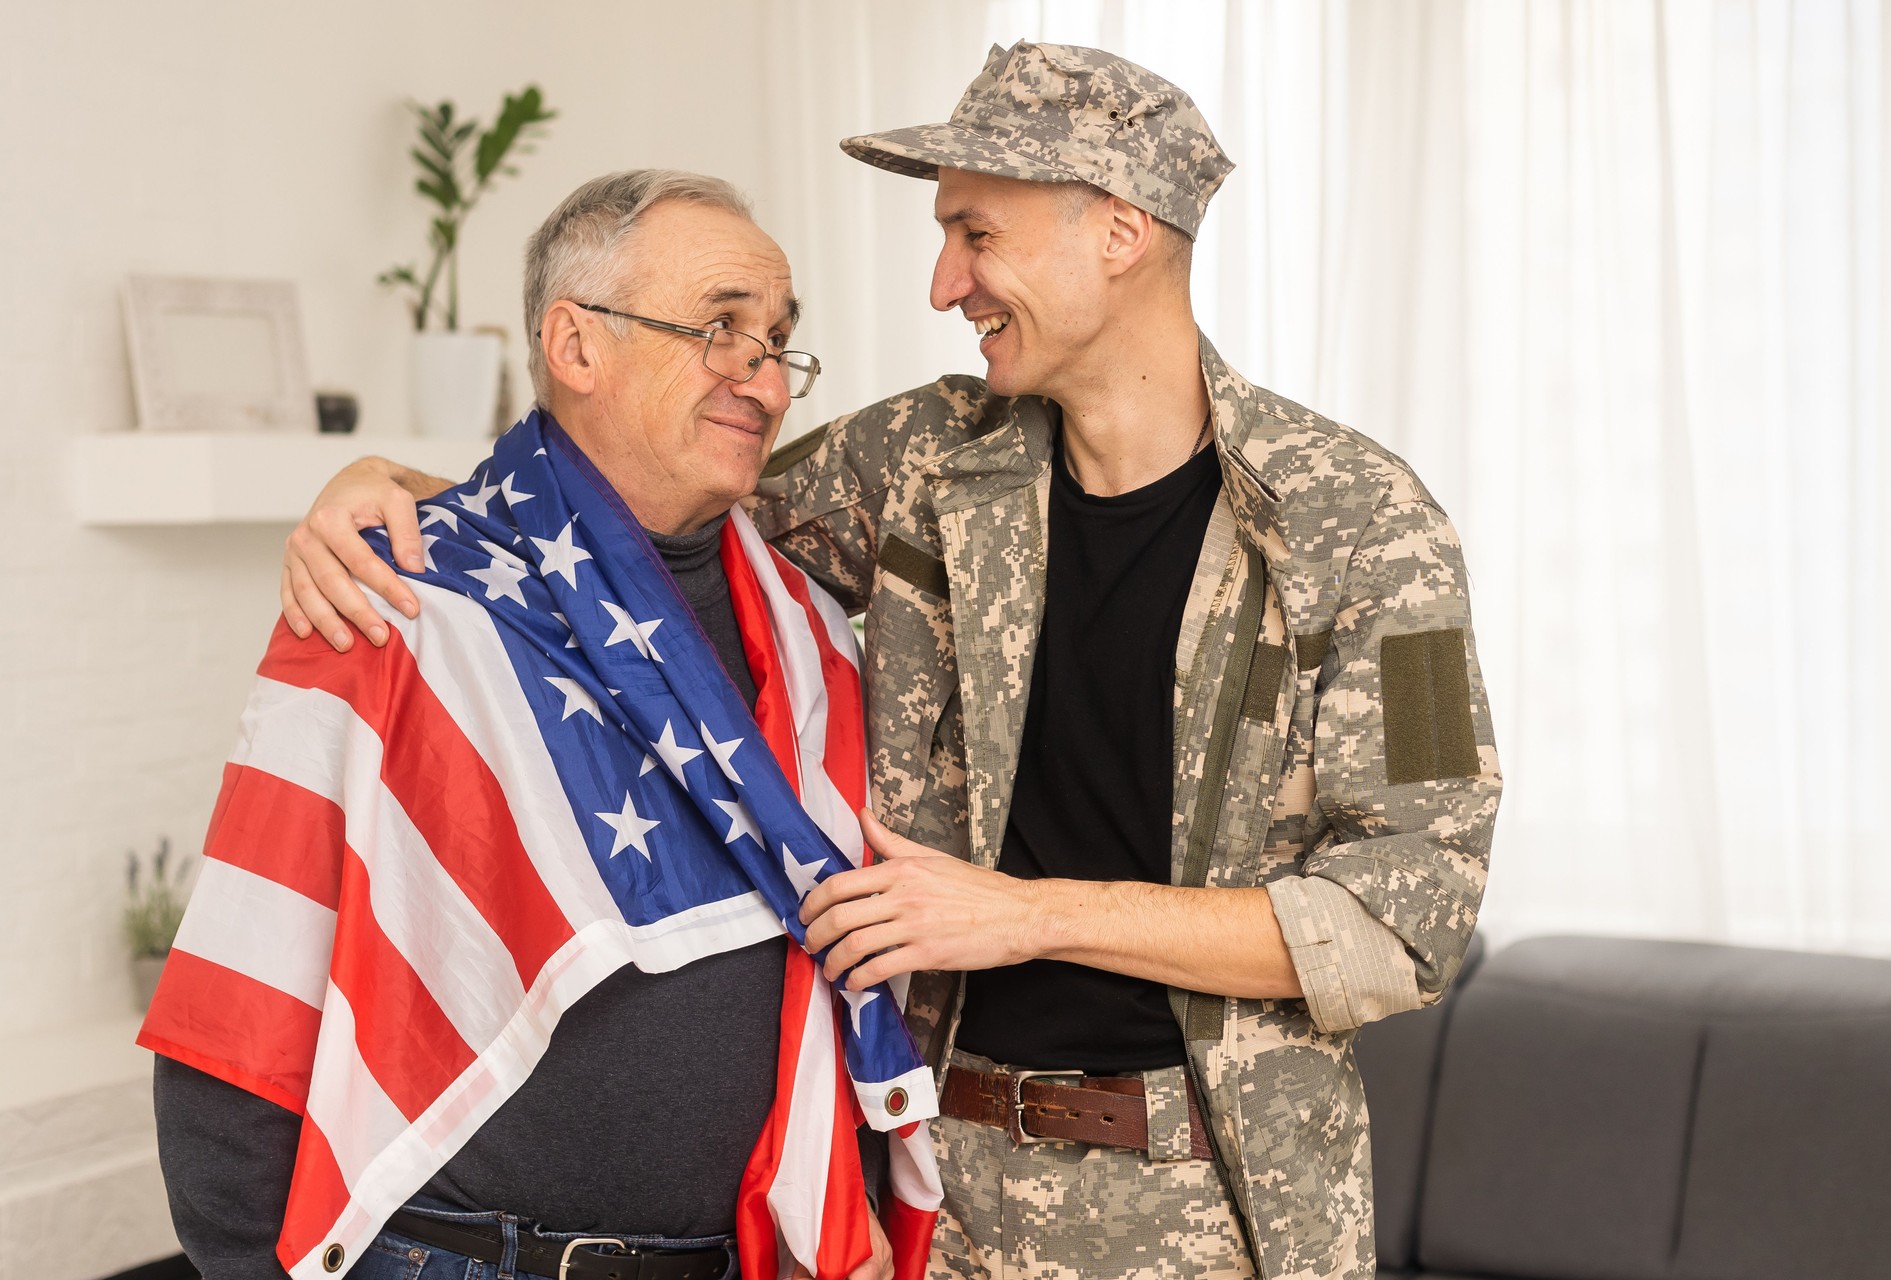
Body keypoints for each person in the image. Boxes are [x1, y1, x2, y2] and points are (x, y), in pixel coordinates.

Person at [279, 43, 1501, 1280]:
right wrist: (401, 491)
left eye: (975, 233)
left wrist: (1023, 916)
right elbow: (645, 517)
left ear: (1121, 231)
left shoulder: (1364, 524)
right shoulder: (922, 460)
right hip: (925, 1198)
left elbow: (1403, 924)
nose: (942, 283)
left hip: (1220, 1210)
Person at [145, 170, 924, 1280]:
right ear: (576, 343)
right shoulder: (399, 600)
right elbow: (243, 998)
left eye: (779, 339)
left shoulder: (814, 631)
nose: (762, 373)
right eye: (720, 327)